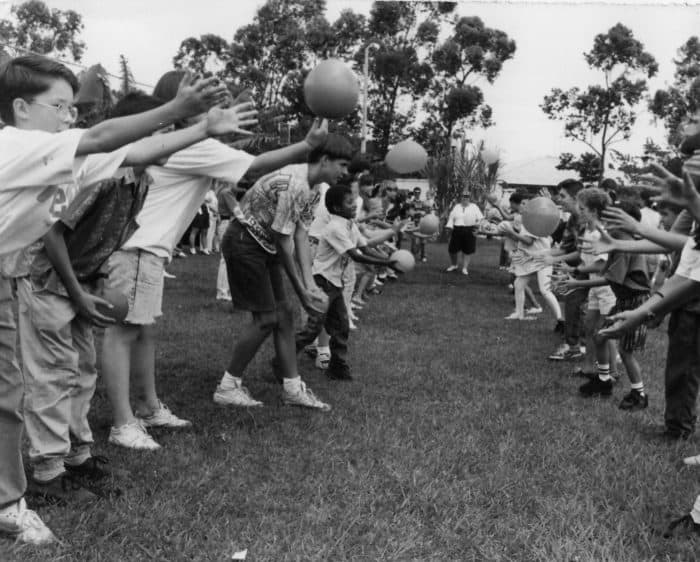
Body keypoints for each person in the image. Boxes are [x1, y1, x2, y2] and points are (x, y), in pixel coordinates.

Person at [0, 54, 226, 545]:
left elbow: (137, 149)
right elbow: (107, 138)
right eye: (59, 106)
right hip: (30, 279)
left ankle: (20, 493)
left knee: (12, 393)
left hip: (10, 274)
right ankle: (32, 483)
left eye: (71, 108)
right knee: (24, 387)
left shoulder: (68, 157)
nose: (70, 117)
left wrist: (202, 127)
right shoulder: (13, 144)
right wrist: (178, 106)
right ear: (20, 108)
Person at [100, 69, 323, 450]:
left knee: (143, 330)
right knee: (122, 334)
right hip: (139, 250)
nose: (217, 107)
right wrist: (306, 146)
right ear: (185, 107)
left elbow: (233, 154)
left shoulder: (179, 141)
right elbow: (253, 165)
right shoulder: (192, 146)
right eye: (208, 100)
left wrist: (221, 124)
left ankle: (149, 406)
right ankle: (123, 422)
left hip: (144, 250)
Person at [212, 133, 353, 410]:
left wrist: (310, 284)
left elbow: (301, 234)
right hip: (245, 244)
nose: (345, 172)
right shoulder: (297, 184)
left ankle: (292, 388)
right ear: (324, 160)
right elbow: (283, 240)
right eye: (343, 165)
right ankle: (227, 386)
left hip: (265, 246)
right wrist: (302, 292)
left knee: (285, 316)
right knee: (266, 318)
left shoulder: (315, 190)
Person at [293, 184, 399, 381]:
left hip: (334, 283)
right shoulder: (334, 228)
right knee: (313, 329)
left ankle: (337, 367)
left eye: (354, 201)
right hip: (321, 282)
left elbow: (365, 248)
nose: (355, 205)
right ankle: (284, 360)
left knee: (341, 326)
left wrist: (388, 259)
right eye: (349, 202)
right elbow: (356, 256)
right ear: (336, 207)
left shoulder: (350, 224)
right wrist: (387, 262)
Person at [559, 201, 651, 405]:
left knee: (626, 352)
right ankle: (603, 381)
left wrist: (576, 281)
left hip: (635, 302)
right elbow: (606, 270)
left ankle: (639, 394)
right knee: (600, 336)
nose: (606, 222)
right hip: (624, 299)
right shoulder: (618, 244)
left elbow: (610, 278)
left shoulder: (625, 246)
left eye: (611, 219)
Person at [500, 192, 563, 323]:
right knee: (518, 284)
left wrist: (510, 233)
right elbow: (524, 241)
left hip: (543, 257)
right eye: (522, 203)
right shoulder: (526, 219)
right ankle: (519, 313)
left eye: (526, 203)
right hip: (531, 257)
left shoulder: (532, 220)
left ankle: (560, 319)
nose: (524, 206)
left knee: (545, 290)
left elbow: (528, 241)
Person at [445, 190, 483, 275]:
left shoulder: (474, 206)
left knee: (467, 250)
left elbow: (480, 218)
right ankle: (454, 265)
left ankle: (465, 268)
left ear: (469, 198)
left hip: (470, 230)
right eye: (463, 196)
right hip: (457, 229)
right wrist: (449, 227)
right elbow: (451, 218)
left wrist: (477, 228)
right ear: (461, 197)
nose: (465, 198)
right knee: (452, 250)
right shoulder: (456, 206)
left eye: (467, 196)